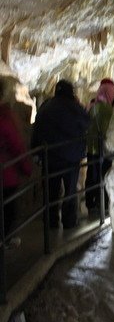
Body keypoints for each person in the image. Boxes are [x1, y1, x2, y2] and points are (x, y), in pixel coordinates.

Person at [32, 80, 89, 229]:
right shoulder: (75, 108)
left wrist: (36, 151)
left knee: (51, 191)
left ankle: (51, 221)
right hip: (71, 157)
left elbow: (37, 130)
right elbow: (86, 124)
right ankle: (69, 221)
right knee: (70, 192)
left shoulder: (45, 107)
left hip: (49, 157)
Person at [0, 79, 32, 243]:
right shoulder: (5, 118)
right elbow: (16, 145)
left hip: (6, 173)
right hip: (6, 175)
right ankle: (5, 242)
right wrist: (26, 168)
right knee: (8, 210)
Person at [85, 78, 114, 216]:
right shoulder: (107, 109)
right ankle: (102, 203)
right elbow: (107, 130)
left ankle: (90, 203)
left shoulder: (91, 106)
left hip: (91, 148)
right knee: (104, 176)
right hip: (103, 149)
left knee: (91, 176)